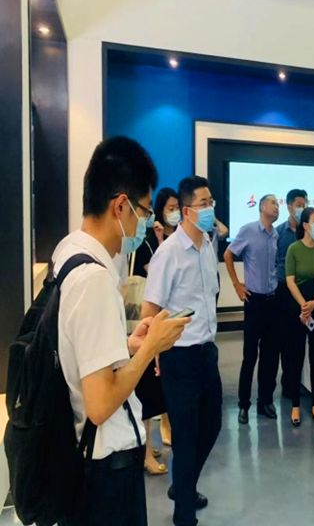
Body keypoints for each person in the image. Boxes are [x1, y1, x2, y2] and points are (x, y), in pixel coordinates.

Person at [54, 136, 189, 526]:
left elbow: (80, 351)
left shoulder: (69, 252)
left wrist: (126, 345)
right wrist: (150, 349)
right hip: (106, 472)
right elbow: (99, 406)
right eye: (143, 211)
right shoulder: (94, 280)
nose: (144, 222)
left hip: (84, 460)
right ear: (120, 206)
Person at [142, 176, 222, 526]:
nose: (210, 208)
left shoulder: (207, 245)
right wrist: (154, 353)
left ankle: (183, 486)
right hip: (179, 357)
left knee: (212, 425)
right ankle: (184, 516)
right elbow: (149, 312)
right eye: (204, 203)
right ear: (187, 211)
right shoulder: (168, 253)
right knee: (185, 439)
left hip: (207, 352)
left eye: (211, 202)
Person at [132, 187, 180, 475]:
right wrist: (160, 241)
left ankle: (153, 440)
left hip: (156, 318)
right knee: (146, 388)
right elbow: (155, 273)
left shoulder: (159, 239)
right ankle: (146, 450)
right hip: (140, 320)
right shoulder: (142, 241)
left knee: (155, 386)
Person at [225, 194, 281, 423]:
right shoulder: (248, 230)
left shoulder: (275, 235)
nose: (277, 207)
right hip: (254, 302)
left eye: (277, 204)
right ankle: (243, 405)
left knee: (270, 356)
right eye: (273, 203)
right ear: (262, 207)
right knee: (250, 356)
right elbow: (228, 254)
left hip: (272, 301)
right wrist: (236, 284)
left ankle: (265, 402)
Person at [285, 207, 314, 427]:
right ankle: (295, 404)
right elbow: (290, 280)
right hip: (297, 309)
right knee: (296, 356)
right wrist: (303, 305)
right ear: (305, 225)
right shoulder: (293, 249)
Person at [276, 189, 308, 399]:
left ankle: (298, 380)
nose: (301, 208)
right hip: (283, 291)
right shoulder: (279, 232)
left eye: (304, 204)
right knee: (285, 339)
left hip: (304, 292)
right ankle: (287, 381)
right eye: (298, 205)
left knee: (300, 339)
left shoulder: (308, 232)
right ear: (289, 207)